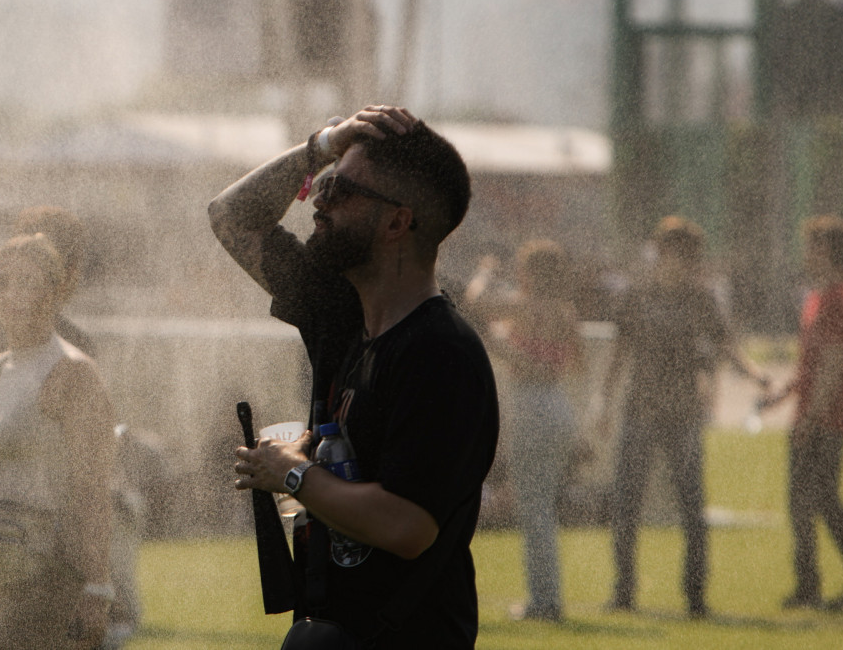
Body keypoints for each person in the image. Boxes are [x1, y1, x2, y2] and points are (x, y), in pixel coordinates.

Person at [209, 105, 499, 647]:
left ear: (396, 223)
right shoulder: (341, 313)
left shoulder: (441, 353)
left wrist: (293, 474)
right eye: (323, 182)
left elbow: (407, 526)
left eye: (340, 189)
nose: (318, 199)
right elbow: (230, 215)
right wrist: (321, 146)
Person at [0, 234, 116, 649]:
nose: (12, 294)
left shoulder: (73, 373)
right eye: (3, 282)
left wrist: (98, 588)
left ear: (56, 292)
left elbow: (93, 490)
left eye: (27, 282)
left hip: (50, 571)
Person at [598, 216, 768, 618]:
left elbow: (725, 344)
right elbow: (620, 353)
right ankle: (624, 591)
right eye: (679, 254)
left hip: (683, 414)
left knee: (692, 506)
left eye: (690, 256)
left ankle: (695, 595)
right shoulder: (638, 295)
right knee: (626, 504)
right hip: (640, 410)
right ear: (663, 252)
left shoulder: (699, 298)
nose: (686, 263)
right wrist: (603, 404)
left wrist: (754, 373)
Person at [759, 215, 843, 611]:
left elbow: (833, 363)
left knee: (822, 499)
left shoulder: (837, 300)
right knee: (804, 501)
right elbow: (812, 366)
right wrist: (785, 394)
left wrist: (812, 417)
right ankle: (810, 586)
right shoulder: (816, 298)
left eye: (812, 246)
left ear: (827, 251)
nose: (806, 254)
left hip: (826, 417)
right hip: (811, 411)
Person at [464, 240, 583, 622]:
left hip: (532, 406)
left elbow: (475, 302)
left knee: (534, 510)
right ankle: (548, 596)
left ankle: (544, 601)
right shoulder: (565, 312)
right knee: (542, 506)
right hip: (559, 406)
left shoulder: (525, 305)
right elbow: (573, 367)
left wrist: (486, 271)